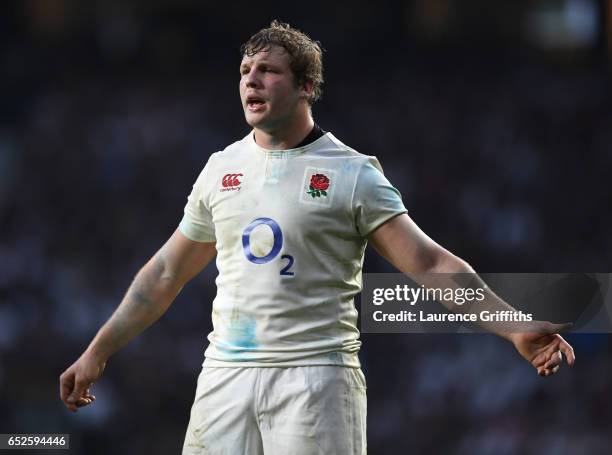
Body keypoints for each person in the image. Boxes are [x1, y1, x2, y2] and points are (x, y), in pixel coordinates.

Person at [59, 20, 575, 454]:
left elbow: (431, 264)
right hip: (225, 377)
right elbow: (165, 273)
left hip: (316, 380)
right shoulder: (221, 169)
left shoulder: (353, 174)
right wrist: (98, 351)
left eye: (268, 71)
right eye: (244, 72)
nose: (251, 82)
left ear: (306, 86)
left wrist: (513, 326)